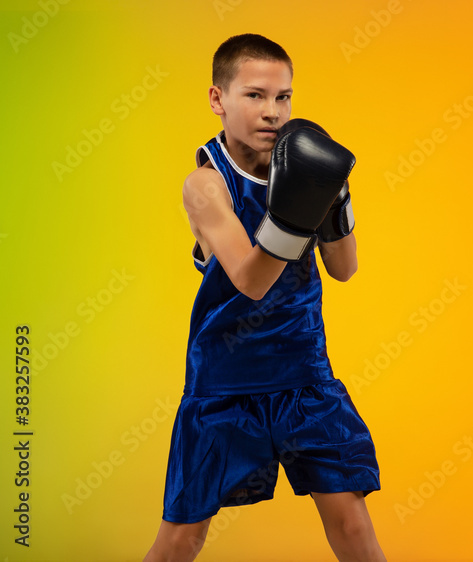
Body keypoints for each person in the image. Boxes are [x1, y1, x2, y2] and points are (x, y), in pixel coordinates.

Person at [144, 33, 387, 562]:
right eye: (254, 95)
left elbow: (344, 269)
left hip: (304, 374)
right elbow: (252, 282)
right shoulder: (206, 185)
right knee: (183, 537)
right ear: (218, 99)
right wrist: (299, 208)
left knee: (350, 521)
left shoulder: (299, 165)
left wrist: (334, 196)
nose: (272, 112)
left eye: (283, 97)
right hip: (225, 381)